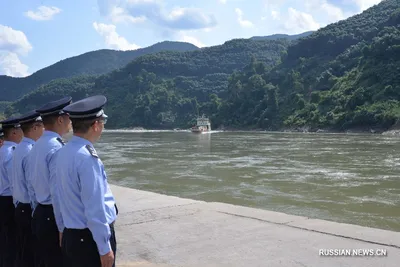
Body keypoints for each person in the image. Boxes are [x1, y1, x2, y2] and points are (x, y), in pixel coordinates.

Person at [56, 95, 117, 267]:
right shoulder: (87, 158)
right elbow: (95, 208)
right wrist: (104, 248)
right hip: (88, 241)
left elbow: (58, 196)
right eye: (102, 122)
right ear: (96, 125)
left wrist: (62, 228)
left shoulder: (63, 152)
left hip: (72, 236)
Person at [29, 96, 72, 267]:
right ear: (60, 119)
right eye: (69, 117)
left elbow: (31, 184)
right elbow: (57, 192)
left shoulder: (37, 145)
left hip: (40, 212)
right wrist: (61, 227)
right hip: (52, 216)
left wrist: (34, 211)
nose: (71, 121)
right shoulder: (56, 148)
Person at [12, 110, 44, 267]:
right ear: (35, 127)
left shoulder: (18, 149)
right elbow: (32, 186)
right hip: (28, 209)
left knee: (23, 250)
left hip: (19, 206)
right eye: (42, 126)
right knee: (33, 254)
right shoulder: (31, 151)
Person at [0, 116, 24, 267]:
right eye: (21, 129)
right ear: (14, 132)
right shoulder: (11, 153)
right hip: (9, 201)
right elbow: (14, 183)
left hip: (2, 199)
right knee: (13, 241)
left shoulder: (3, 150)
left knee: (4, 240)